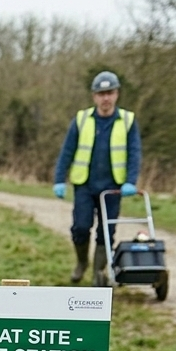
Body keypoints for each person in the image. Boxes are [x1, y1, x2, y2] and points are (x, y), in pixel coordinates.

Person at [52, 71, 142, 285]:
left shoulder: (127, 121)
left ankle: (97, 273)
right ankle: (81, 262)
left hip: (113, 187)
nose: (105, 98)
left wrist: (131, 180)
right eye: (101, 94)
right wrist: (59, 179)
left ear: (117, 94)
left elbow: (134, 152)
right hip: (84, 184)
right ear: (94, 96)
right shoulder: (82, 120)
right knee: (81, 227)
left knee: (106, 232)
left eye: (109, 93)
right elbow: (67, 151)